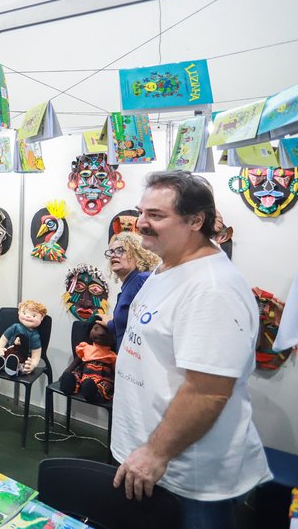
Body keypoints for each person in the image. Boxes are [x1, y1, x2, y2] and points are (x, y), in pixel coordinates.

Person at [112, 171, 271, 527]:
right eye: (142, 212)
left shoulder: (212, 288)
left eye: (156, 215)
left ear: (196, 220)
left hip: (188, 474)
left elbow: (208, 391)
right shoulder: (167, 266)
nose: (141, 223)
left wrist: (155, 452)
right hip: (150, 461)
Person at [102, 231, 159, 349]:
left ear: (137, 254)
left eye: (120, 250)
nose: (113, 255)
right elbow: (126, 326)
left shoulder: (142, 280)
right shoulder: (130, 284)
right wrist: (109, 323)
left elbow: (147, 326)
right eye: (111, 252)